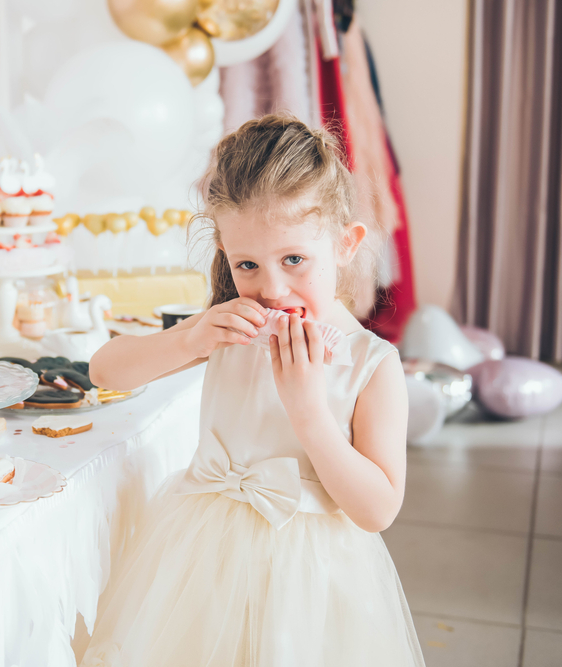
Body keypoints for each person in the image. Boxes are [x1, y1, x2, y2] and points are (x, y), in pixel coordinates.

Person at [81, 114, 425, 666]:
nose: (271, 288)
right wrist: (188, 340)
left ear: (345, 244)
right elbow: (104, 371)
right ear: (224, 250)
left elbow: (377, 510)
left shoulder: (370, 364)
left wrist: (309, 413)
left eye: (294, 259)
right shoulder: (227, 331)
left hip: (310, 579)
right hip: (200, 559)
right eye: (247, 264)